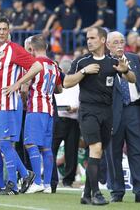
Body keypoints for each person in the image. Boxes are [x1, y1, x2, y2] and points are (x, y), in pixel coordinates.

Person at [63, 27, 136, 205]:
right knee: (95, 149)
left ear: (103, 40)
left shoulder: (112, 61)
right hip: (88, 111)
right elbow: (65, 83)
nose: (89, 41)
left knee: (98, 152)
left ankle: (86, 194)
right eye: (88, 38)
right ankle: (96, 194)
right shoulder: (82, 61)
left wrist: (126, 70)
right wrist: (84, 72)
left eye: (93, 38)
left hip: (107, 112)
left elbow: (132, 79)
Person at [0, 17, 39, 195]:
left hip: (5, 105)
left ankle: (13, 183)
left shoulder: (15, 50)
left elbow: (36, 66)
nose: (2, 32)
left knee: (4, 145)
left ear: (8, 31)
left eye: (5, 29)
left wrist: (18, 83)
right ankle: (0, 183)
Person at [4, 34, 63, 194]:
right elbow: (59, 89)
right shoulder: (54, 65)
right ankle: (48, 184)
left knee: (30, 144)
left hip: (35, 108)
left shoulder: (34, 64)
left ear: (32, 48)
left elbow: (24, 88)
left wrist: (23, 97)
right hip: (49, 109)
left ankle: (36, 182)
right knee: (46, 148)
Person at [105, 31, 140, 204]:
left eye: (122, 41)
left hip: (134, 110)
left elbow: (138, 84)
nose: (119, 45)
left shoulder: (134, 59)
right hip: (113, 112)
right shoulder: (104, 62)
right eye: (115, 42)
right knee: (113, 153)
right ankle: (116, 191)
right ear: (108, 45)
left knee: (138, 152)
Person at [51, 59, 80, 189]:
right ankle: (52, 177)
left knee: (71, 151)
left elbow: (81, 99)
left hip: (73, 119)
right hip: (59, 118)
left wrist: (76, 107)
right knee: (52, 149)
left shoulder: (77, 83)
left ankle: (68, 179)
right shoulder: (56, 81)